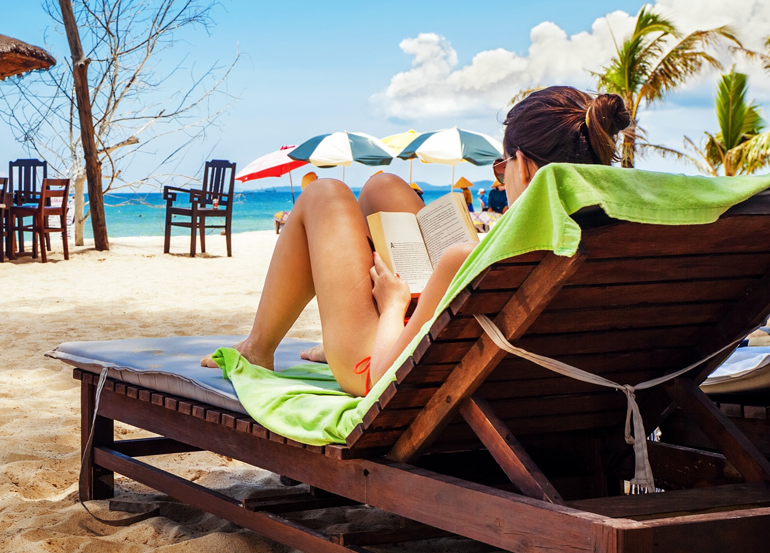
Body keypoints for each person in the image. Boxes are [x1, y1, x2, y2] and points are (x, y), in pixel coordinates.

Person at [203, 86, 630, 396]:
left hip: (383, 368)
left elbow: (388, 376)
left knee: (325, 194)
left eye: (502, 168)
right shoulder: (621, 244)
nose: (500, 175)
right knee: (383, 186)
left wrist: (391, 305)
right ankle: (337, 332)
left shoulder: (470, 258)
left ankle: (259, 348)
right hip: (520, 373)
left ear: (526, 169)